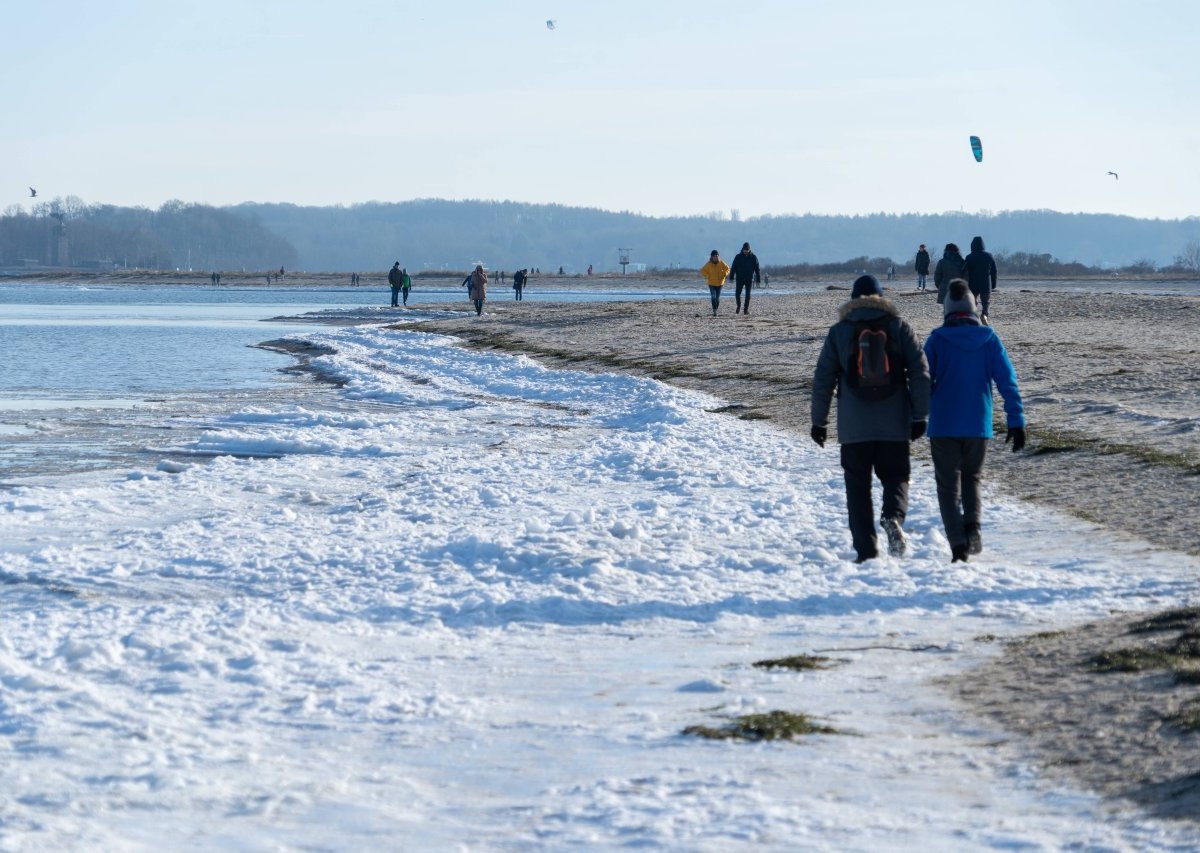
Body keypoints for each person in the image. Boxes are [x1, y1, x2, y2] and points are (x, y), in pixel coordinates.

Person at [810, 274, 931, 563]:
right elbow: (920, 374)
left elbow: (823, 380)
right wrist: (919, 415)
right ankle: (893, 518)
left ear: (853, 300)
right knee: (897, 477)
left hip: (854, 428)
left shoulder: (840, 332)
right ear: (881, 298)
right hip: (894, 425)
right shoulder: (900, 328)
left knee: (857, 489)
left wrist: (819, 422)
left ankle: (866, 553)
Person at [923, 279, 1026, 562]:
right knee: (972, 479)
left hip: (943, 426)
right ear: (973, 307)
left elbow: (921, 384)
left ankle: (958, 545)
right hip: (978, 425)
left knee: (947, 488)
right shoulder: (989, 340)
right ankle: (973, 528)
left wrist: (914, 416)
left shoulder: (936, 340)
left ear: (947, 309)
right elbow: (1008, 383)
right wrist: (1016, 421)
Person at [964, 236, 998, 324]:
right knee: (985, 302)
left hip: (972, 284)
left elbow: (964, 272)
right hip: (986, 284)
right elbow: (994, 272)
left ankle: (973, 317)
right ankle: (984, 315)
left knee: (972, 302)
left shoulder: (969, 257)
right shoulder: (989, 256)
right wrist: (993, 284)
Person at [729, 241, 761, 315]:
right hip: (739, 279)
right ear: (742, 249)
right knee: (737, 294)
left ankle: (745, 309)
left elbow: (757, 269)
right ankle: (738, 306)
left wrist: (758, 280)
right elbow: (733, 267)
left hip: (749, 279)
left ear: (749, 250)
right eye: (744, 250)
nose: (746, 251)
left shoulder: (753, 257)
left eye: (747, 250)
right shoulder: (738, 257)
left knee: (748, 295)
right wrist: (731, 277)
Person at [699, 249, 730, 316]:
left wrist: (725, 273)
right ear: (712, 257)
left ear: (718, 256)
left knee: (717, 298)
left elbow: (728, 269)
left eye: (716, 256)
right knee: (713, 297)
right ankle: (714, 310)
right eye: (714, 256)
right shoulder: (709, 264)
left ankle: (716, 308)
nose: (715, 257)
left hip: (720, 283)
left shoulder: (721, 263)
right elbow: (702, 270)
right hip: (711, 283)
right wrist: (707, 275)